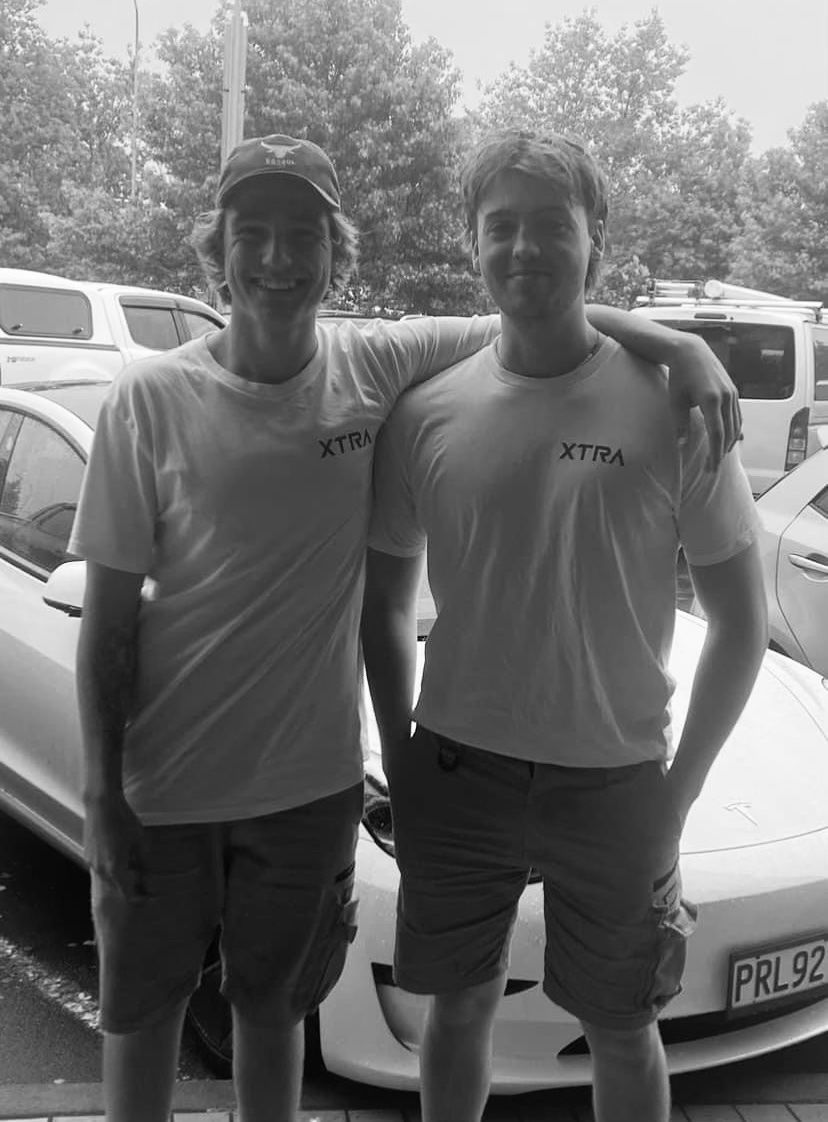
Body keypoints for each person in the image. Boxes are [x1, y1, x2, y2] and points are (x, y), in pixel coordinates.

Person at [70, 131, 741, 1122]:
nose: (275, 258)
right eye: (250, 234)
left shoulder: (408, 370)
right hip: (286, 777)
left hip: (451, 786)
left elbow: (531, 302)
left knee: (297, 1026)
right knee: (183, 1022)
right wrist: (105, 794)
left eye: (302, 234)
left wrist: (678, 342)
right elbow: (131, 620)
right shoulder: (194, 398)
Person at [361, 129, 768, 1122]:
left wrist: (670, 804)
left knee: (625, 1031)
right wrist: (404, 765)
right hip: (457, 773)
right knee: (455, 1018)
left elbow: (743, 623)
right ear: (471, 244)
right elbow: (380, 602)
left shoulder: (678, 409)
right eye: (501, 227)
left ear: (598, 242)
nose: (525, 248)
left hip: (617, 780)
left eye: (554, 225)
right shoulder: (425, 411)